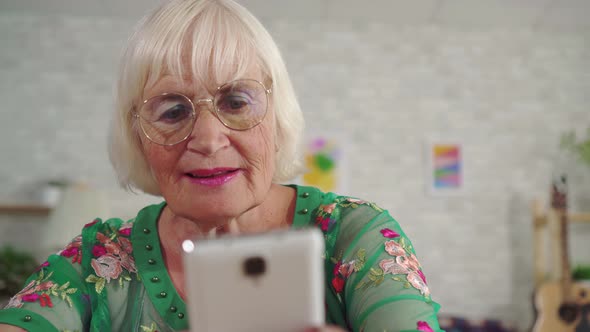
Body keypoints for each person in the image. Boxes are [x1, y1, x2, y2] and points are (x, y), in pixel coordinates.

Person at [0, 0, 443, 331]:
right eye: (172, 111)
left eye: (236, 101)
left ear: (276, 116)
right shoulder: (97, 260)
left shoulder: (356, 236)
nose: (209, 139)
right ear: (137, 135)